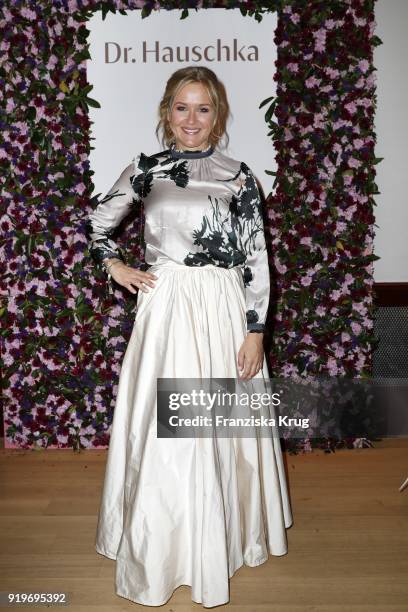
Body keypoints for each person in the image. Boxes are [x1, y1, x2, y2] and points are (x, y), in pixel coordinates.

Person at [85, 65, 293, 608]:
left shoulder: (240, 176)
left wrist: (255, 332)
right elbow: (96, 224)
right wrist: (115, 267)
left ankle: (220, 540)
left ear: (218, 115)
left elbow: (256, 259)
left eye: (203, 109)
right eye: (182, 107)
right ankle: (161, 549)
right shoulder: (146, 169)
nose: (192, 120)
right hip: (168, 310)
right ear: (166, 111)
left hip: (224, 309)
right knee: (165, 435)